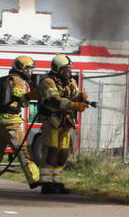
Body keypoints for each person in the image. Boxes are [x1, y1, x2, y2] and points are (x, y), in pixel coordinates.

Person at [0, 55, 40, 189]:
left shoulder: (4, 80)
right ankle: (35, 179)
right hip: (10, 123)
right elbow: (18, 95)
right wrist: (32, 95)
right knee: (23, 150)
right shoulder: (18, 80)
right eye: (28, 68)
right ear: (20, 68)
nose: (30, 72)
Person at [36, 54, 92, 194]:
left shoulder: (71, 81)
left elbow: (74, 94)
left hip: (65, 122)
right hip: (52, 121)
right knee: (52, 152)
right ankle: (47, 184)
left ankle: (58, 182)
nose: (67, 72)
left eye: (68, 69)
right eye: (64, 70)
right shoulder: (47, 82)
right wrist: (74, 104)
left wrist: (81, 97)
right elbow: (54, 100)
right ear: (56, 69)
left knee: (63, 153)